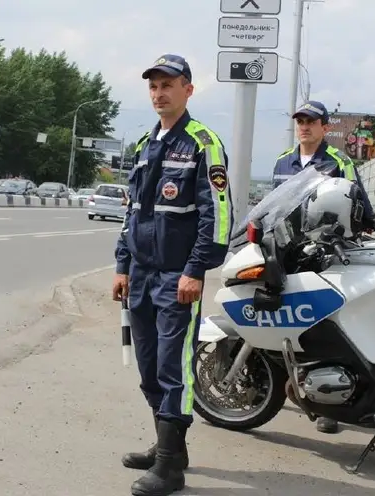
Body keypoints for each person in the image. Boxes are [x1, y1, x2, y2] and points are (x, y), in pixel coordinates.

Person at [112, 53, 233, 496]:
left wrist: (196, 269)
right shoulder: (146, 144)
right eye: (154, 86)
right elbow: (132, 212)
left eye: (169, 85)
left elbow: (217, 215)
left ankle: (170, 467)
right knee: (147, 366)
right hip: (141, 275)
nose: (160, 93)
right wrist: (122, 265)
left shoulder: (203, 143)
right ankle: (170, 449)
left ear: (188, 90)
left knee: (172, 367)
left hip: (176, 278)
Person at [273, 100, 375, 435]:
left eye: (311, 121)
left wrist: (363, 227)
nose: (304, 126)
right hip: (290, 251)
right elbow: (272, 206)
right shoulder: (282, 162)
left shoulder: (338, 161)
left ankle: (333, 404)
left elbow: (359, 205)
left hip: (326, 253)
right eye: (300, 120)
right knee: (289, 316)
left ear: (324, 127)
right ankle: (293, 383)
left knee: (330, 321)